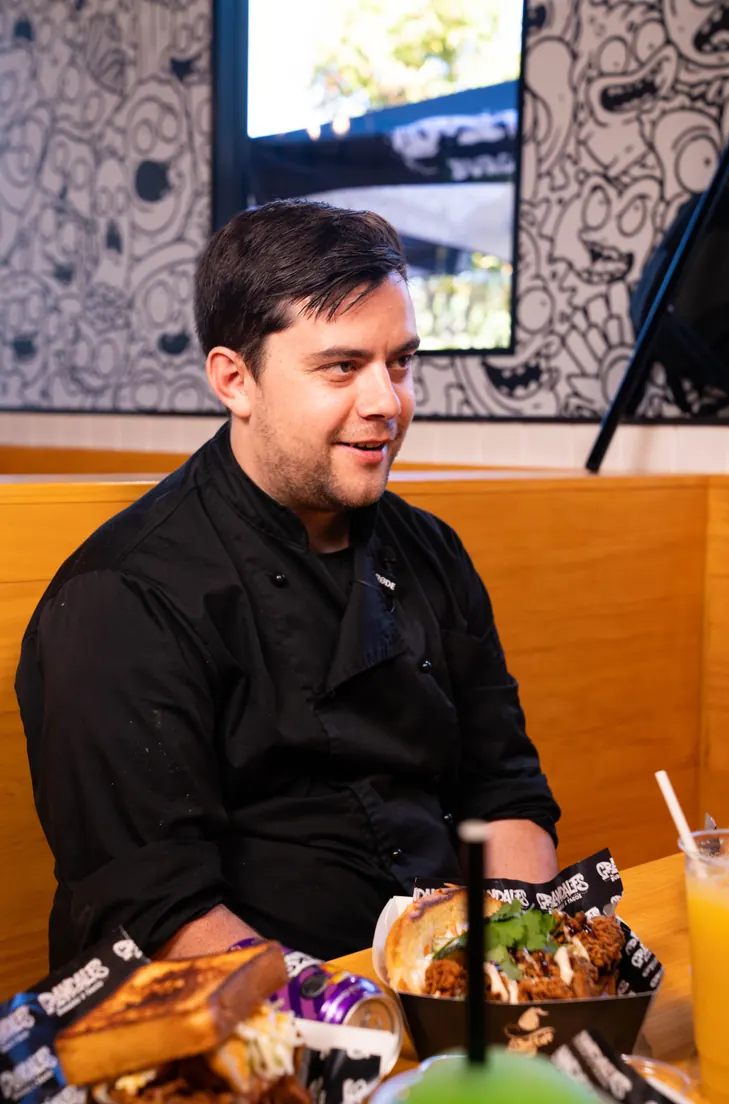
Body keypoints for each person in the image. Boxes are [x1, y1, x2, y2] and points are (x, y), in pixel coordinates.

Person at [16, 200, 560, 969]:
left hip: (441, 990)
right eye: (342, 366)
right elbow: (156, 907)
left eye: (400, 362)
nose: (387, 403)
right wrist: (350, 1017)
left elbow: (506, 792)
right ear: (235, 380)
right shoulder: (123, 596)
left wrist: (512, 962)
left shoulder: (432, 551)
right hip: (237, 1024)